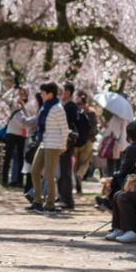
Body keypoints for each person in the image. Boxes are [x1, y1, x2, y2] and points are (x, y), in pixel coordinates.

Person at [27, 82, 68, 214]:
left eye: (43, 92)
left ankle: (50, 204)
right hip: (44, 143)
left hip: (54, 145)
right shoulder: (45, 107)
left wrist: (63, 145)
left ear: (50, 94)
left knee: (49, 175)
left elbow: (64, 129)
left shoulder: (58, 108)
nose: (41, 94)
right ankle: (37, 201)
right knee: (34, 171)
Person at [94, 120, 136, 210]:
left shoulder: (132, 149)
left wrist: (113, 178)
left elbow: (124, 171)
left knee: (117, 176)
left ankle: (110, 203)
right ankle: (109, 202)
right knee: (118, 177)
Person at [1, 87, 30, 187]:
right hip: (11, 133)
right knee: (8, 157)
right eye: (20, 93)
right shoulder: (13, 103)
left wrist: (23, 106)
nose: (21, 95)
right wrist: (12, 89)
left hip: (22, 135)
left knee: (21, 158)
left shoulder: (28, 105)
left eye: (24, 94)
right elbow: (4, 98)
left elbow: (29, 118)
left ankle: (19, 181)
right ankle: (4, 180)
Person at [57, 81, 78, 209]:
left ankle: (67, 199)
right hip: (66, 141)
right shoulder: (68, 106)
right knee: (63, 171)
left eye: (62, 92)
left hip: (66, 142)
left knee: (65, 171)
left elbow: (67, 126)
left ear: (68, 93)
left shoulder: (70, 107)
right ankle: (63, 197)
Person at [73, 91, 98, 194]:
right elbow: (95, 128)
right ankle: (79, 176)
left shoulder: (74, 110)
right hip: (88, 141)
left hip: (75, 141)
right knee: (85, 162)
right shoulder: (91, 112)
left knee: (75, 163)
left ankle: (75, 179)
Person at [102, 112, 127, 177]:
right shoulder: (125, 118)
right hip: (123, 144)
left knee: (111, 162)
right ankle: (117, 179)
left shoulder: (116, 118)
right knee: (119, 163)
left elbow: (115, 133)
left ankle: (110, 179)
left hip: (114, 144)